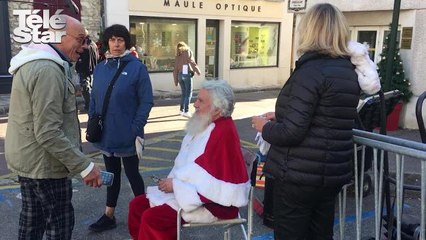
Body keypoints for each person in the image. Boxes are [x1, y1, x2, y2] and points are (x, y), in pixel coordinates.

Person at [251, 3, 379, 240]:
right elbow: (326, 116)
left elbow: (292, 133)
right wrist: (282, 115)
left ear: (310, 30)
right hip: (329, 174)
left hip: (298, 175)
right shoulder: (346, 71)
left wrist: (265, 127)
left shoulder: (311, 70)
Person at [5, 15, 102, 240]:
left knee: (32, 220)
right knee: (59, 224)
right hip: (46, 164)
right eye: (81, 39)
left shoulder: (38, 61)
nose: (85, 46)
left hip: (31, 160)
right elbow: (48, 132)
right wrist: (85, 166)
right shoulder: (48, 69)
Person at [128, 80, 251, 240]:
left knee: (153, 219)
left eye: (201, 101)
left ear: (218, 109)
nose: (195, 104)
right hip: (192, 193)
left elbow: (211, 183)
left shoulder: (222, 132)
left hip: (213, 204)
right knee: (137, 205)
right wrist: (175, 183)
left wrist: (176, 185)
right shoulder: (209, 123)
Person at [88, 24, 154, 232]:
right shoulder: (100, 68)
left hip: (128, 135)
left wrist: (135, 128)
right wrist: (92, 118)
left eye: (121, 40)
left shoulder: (137, 68)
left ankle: (145, 215)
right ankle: (109, 215)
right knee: (111, 175)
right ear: (107, 42)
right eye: (112, 40)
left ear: (126, 43)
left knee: (133, 174)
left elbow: (146, 101)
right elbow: (94, 99)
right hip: (106, 134)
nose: (116, 44)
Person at [173, 41, 201, 118]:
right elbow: (191, 62)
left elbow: (175, 69)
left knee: (184, 93)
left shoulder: (177, 55)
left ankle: (181, 110)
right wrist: (197, 71)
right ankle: (186, 110)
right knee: (188, 93)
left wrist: (176, 81)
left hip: (179, 74)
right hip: (186, 74)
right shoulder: (187, 52)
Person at [75, 31, 99, 112]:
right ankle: (89, 105)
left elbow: (87, 57)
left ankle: (89, 106)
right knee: (87, 88)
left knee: (86, 88)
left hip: (87, 70)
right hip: (90, 69)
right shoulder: (91, 44)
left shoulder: (88, 45)